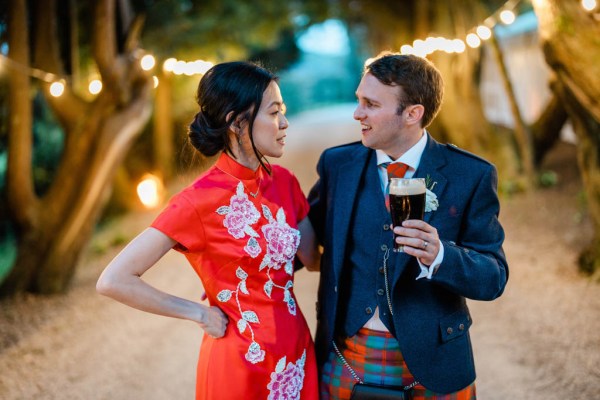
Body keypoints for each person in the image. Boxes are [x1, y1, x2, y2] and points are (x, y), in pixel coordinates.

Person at [97, 61, 320, 400]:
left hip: (296, 352)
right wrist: (198, 312)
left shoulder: (285, 183)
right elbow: (114, 280)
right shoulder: (197, 202)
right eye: (275, 112)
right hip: (239, 362)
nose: (285, 123)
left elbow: (314, 259)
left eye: (284, 111)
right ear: (236, 122)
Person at [308, 51, 509, 399]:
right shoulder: (337, 165)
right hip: (346, 356)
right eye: (359, 101)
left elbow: (493, 277)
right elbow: (298, 241)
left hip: (435, 363)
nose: (358, 114)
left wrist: (441, 255)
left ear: (413, 114)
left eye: (370, 104)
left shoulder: (470, 175)